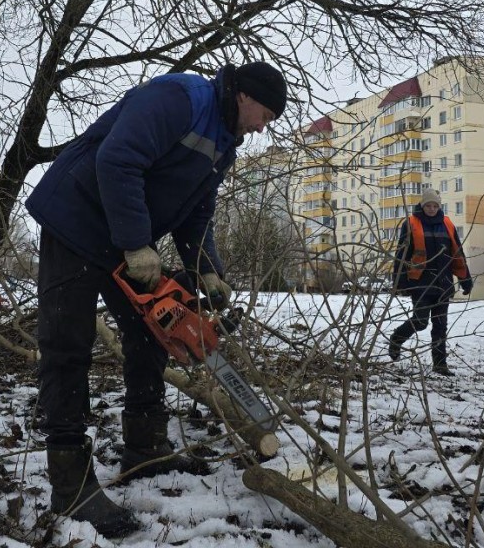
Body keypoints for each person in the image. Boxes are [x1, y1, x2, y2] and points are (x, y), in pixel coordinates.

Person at [25, 61, 287, 537]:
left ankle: (145, 449)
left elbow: (197, 209)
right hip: (77, 216)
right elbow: (118, 160)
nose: (263, 125)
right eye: (265, 113)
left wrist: (206, 269)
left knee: (152, 332)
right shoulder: (179, 98)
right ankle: (71, 484)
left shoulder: (225, 141)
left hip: (125, 234)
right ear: (244, 95)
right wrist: (136, 242)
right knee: (68, 344)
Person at [388, 189, 473, 375]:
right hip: (420, 282)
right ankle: (396, 339)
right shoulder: (411, 223)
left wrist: (465, 279)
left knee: (440, 325)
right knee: (420, 322)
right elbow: (402, 254)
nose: (432, 209)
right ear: (422, 205)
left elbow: (457, 252)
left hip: (443, 282)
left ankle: (440, 364)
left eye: (435, 206)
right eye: (428, 205)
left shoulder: (447, 224)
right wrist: (399, 281)